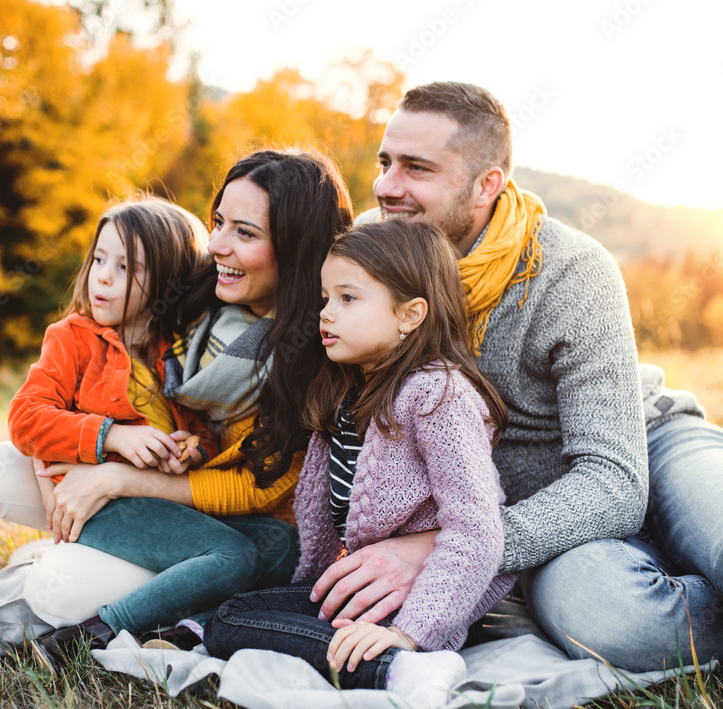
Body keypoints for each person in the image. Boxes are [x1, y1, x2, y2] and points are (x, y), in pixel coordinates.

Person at [0, 150, 355, 647]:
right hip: (128, 497)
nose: (218, 245)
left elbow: (249, 483)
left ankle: (85, 605)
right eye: (217, 223)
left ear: (296, 248)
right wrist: (72, 462)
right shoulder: (196, 318)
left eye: (245, 232)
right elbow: (39, 416)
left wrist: (129, 472)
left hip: (221, 525)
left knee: (56, 591)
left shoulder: (321, 351)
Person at [309, 81, 722, 671]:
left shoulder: (570, 270)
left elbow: (614, 481)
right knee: (611, 620)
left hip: (648, 445)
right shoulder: (375, 253)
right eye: (384, 161)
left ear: (486, 185)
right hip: (540, 514)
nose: (384, 185)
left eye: (416, 168)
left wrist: (445, 547)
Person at [203, 220, 518, 704]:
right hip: (366, 595)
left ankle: (398, 668)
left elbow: (477, 530)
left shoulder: (438, 394)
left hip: (420, 605)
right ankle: (353, 655)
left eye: (348, 299)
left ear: (410, 314)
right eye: (326, 298)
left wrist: (410, 632)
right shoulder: (348, 390)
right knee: (234, 613)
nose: (326, 314)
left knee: (228, 623)